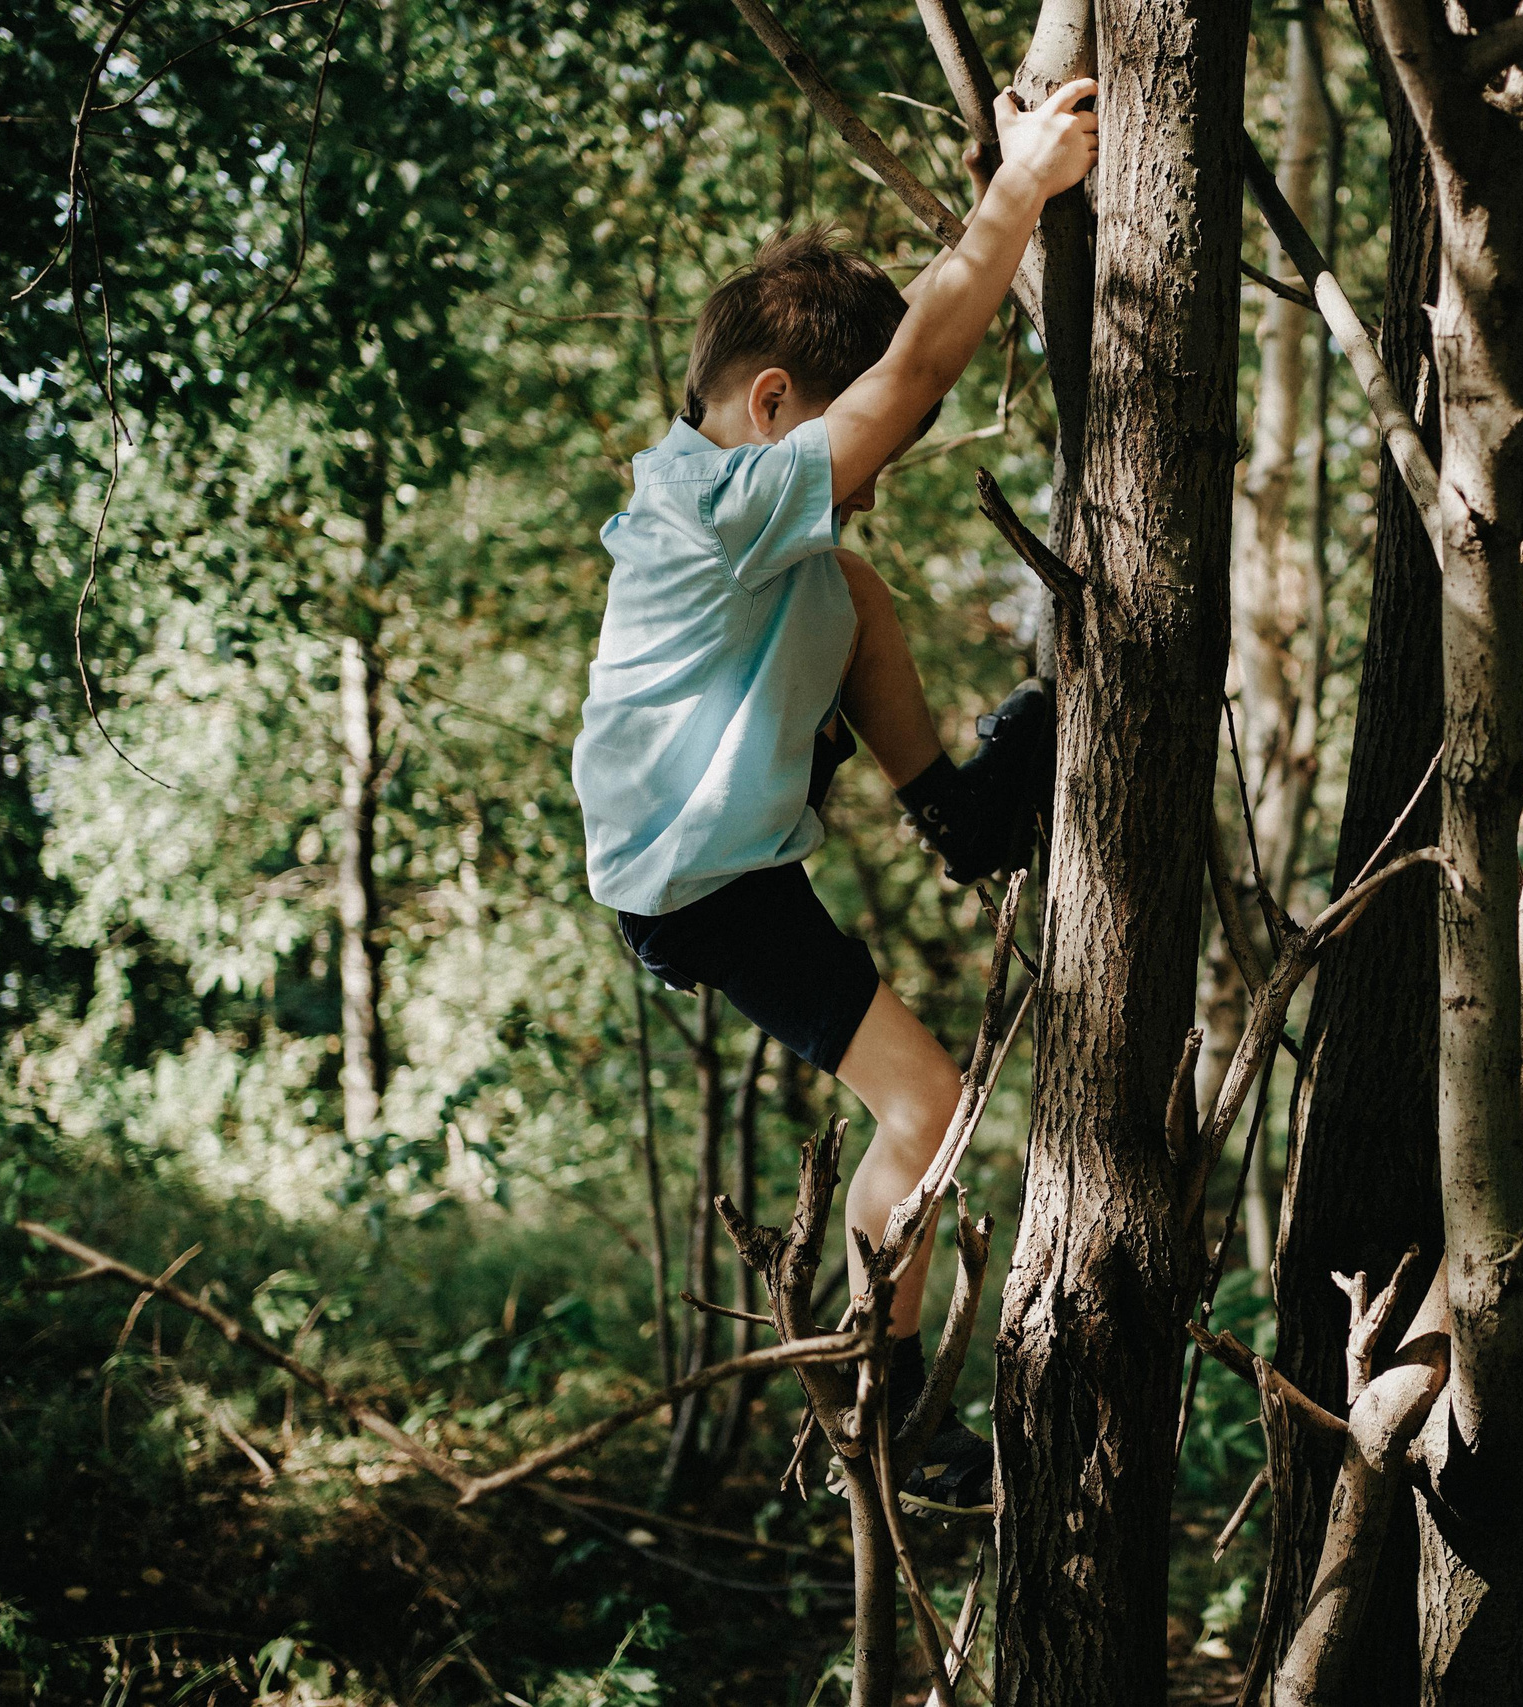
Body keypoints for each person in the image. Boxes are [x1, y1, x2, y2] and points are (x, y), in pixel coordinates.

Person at [570, 79, 1097, 1508]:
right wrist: (1020, 192)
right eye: (849, 448)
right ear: (773, 406)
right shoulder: (714, 506)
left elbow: (886, 426)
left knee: (849, 583)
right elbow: (914, 374)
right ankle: (890, 1413)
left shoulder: (751, 530)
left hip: (724, 866)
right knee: (925, 1110)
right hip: (699, 887)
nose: (865, 480)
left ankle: (962, 815)